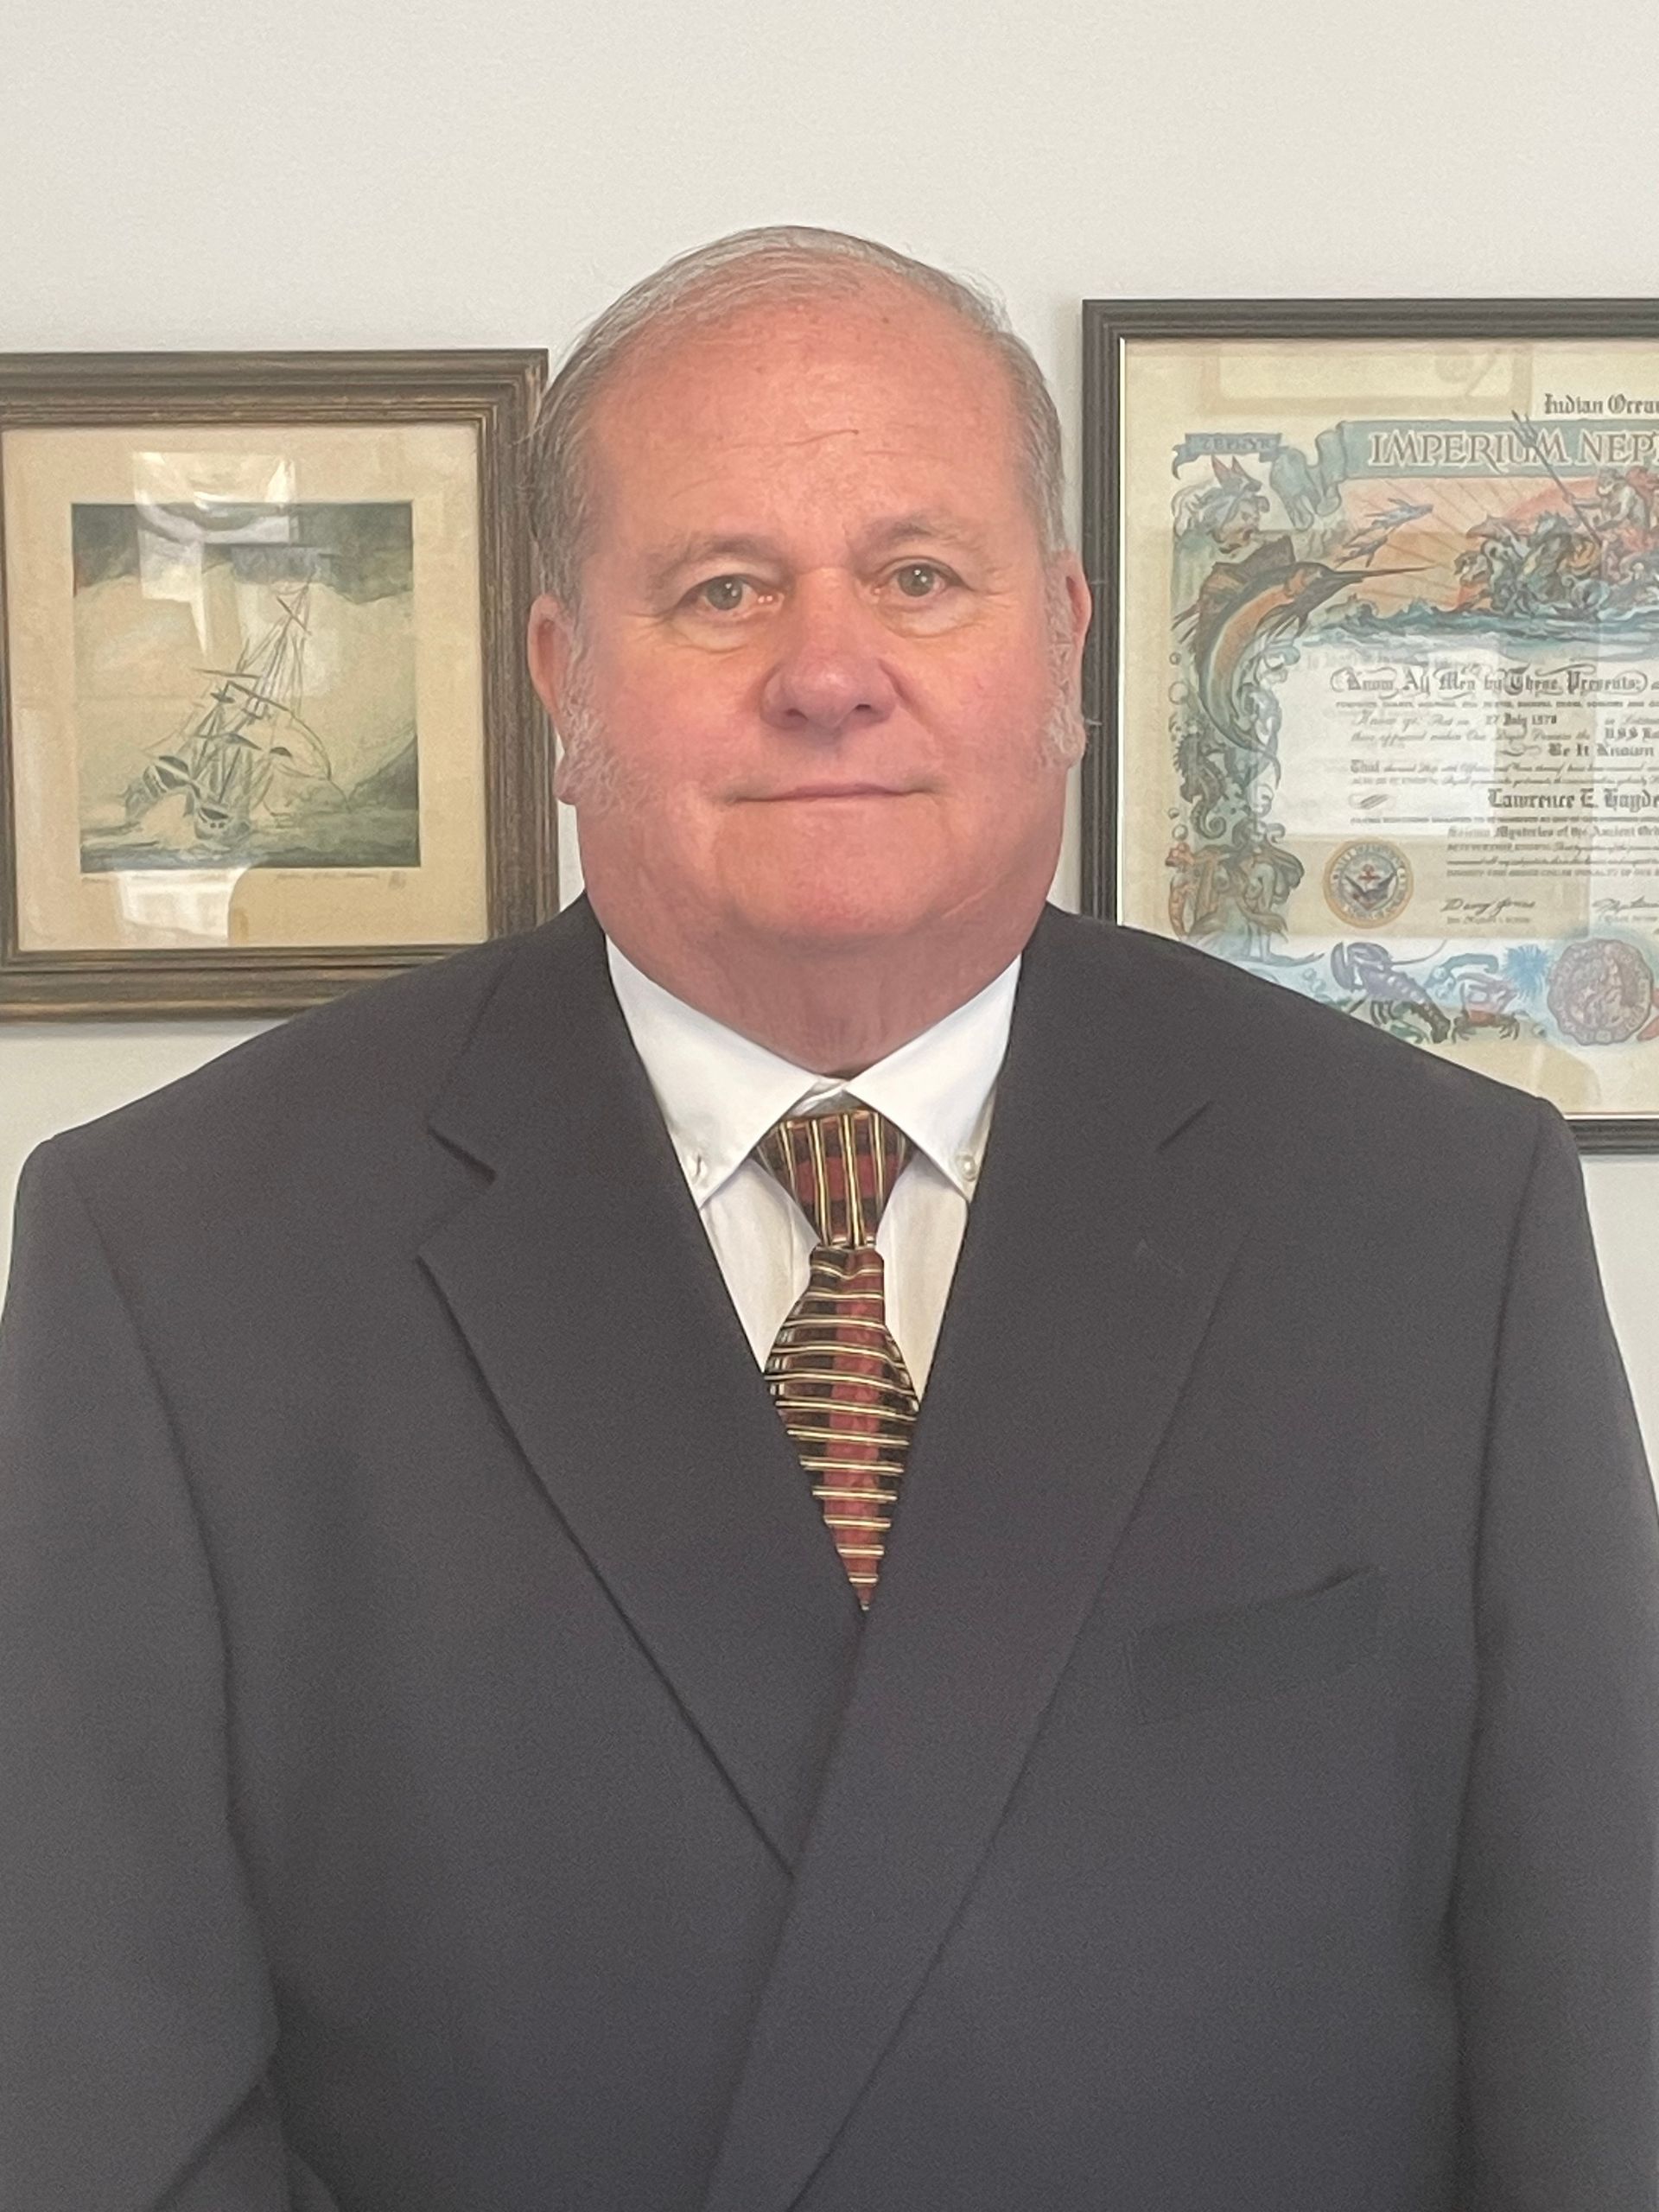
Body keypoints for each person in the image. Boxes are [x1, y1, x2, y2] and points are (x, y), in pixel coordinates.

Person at [2, 226, 1656, 2212]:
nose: (828, 672)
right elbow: (105, 2093)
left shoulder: (1435, 1214)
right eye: (720, 590)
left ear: (1062, 638)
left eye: (918, 575)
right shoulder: (176, 1249)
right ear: (559, 670)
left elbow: (1602, 2038)